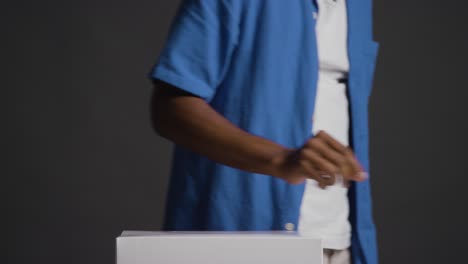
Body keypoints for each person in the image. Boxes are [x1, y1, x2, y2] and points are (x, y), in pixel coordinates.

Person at [148, 1, 380, 263]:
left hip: (339, 243)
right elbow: (171, 107)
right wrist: (280, 159)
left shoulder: (359, 5)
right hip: (239, 243)